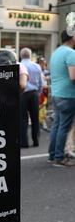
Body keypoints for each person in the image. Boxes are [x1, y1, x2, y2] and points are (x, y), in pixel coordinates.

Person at [48, 30, 75, 167]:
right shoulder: (71, 53)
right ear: (73, 37)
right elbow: (73, 76)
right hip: (68, 95)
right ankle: (59, 157)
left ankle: (52, 154)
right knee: (64, 127)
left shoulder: (56, 52)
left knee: (57, 126)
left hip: (56, 94)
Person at [20, 47, 44, 147]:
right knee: (35, 118)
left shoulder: (19, 65)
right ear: (30, 55)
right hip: (34, 93)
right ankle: (36, 140)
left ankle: (24, 142)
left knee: (22, 118)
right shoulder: (37, 66)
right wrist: (38, 93)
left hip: (22, 94)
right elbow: (41, 83)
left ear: (21, 56)